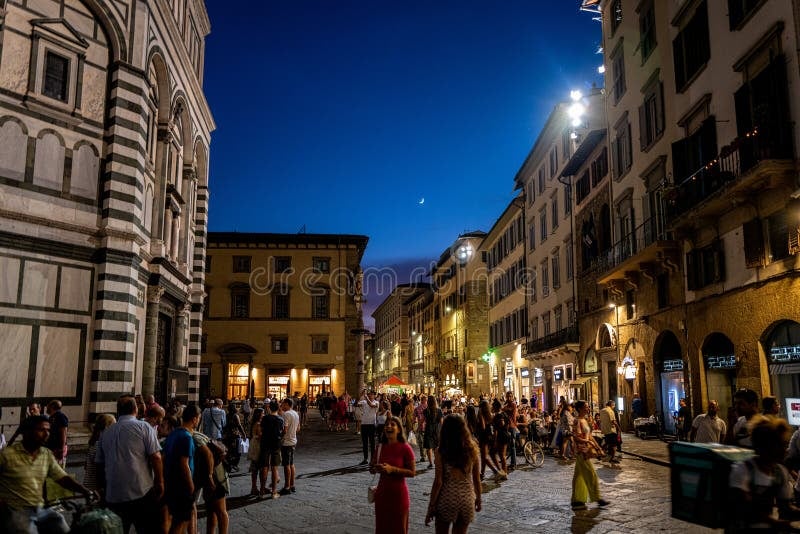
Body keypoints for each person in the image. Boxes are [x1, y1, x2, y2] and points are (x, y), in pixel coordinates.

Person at [0, 415, 99, 533]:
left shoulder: (46, 454)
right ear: (27, 432)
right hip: (16, 510)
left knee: (61, 525)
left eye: (48, 430)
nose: (46, 434)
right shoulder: (7, 455)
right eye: (41, 430)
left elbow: (62, 478)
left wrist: (85, 491)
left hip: (40, 509)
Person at [96, 394, 164, 533]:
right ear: (136, 409)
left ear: (118, 411)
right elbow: (156, 457)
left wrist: (103, 488)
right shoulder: (144, 427)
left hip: (114, 495)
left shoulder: (106, 433)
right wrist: (160, 481)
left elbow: (99, 464)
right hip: (141, 492)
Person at [729, 417, 798, 530]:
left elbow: (786, 508)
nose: (785, 450)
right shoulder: (742, 469)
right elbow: (743, 508)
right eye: (780, 445)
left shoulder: (780, 472)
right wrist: (774, 522)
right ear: (766, 446)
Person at [425, 414, 481, 534]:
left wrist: (431, 506)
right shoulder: (472, 449)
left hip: (447, 498)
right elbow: (476, 479)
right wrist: (479, 499)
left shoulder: (441, 451)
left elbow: (438, 481)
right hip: (467, 499)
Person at [371, 416, 416, 534]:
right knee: (382, 528)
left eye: (392, 424)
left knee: (399, 529)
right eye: (387, 425)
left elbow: (412, 472)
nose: (388, 426)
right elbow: (372, 467)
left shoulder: (406, 448)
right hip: (382, 494)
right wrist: (375, 468)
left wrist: (393, 469)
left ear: (399, 429)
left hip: (399, 495)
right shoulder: (380, 447)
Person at [163, 404, 200, 534]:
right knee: (180, 522)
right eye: (198, 418)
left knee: (180, 519)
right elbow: (184, 464)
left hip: (170, 481)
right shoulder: (187, 437)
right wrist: (190, 485)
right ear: (194, 419)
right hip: (180, 485)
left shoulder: (173, 434)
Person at [570, 400, 609, 510]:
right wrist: (589, 442)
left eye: (588, 407)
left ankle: (577, 500)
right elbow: (576, 437)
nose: (588, 408)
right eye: (586, 407)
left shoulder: (584, 420)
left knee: (579, 476)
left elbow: (590, 435)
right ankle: (597, 498)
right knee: (591, 474)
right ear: (580, 409)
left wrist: (597, 447)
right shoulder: (577, 421)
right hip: (582, 451)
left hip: (586, 449)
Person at [83, 414, 116, 492]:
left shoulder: (94, 441)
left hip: (90, 483)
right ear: (107, 427)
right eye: (114, 426)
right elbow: (100, 467)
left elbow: (86, 465)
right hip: (96, 486)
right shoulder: (99, 444)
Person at [259, 400, 284, 499]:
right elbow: (281, 432)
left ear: (269, 408)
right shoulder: (280, 419)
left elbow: (261, 430)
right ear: (278, 408)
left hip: (265, 443)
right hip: (276, 444)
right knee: (274, 467)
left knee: (264, 467)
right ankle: (274, 491)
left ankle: (261, 491)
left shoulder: (265, 418)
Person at [476, 400, 504, 480]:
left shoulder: (482, 415)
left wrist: (480, 415)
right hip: (489, 436)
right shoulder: (490, 415)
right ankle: (482, 473)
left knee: (484, 457)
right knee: (484, 456)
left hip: (484, 437)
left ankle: (496, 472)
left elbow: (483, 426)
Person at [278, 397, 299, 495]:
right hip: (293, 440)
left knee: (286, 464)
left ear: (287, 404)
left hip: (286, 442)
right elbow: (298, 428)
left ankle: (286, 487)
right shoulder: (295, 413)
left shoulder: (286, 414)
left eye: (283, 403)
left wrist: (279, 436)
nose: (281, 405)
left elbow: (285, 430)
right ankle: (292, 485)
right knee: (291, 464)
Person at [223, 403, 246, 471]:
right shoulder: (236, 416)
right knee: (238, 452)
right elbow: (239, 426)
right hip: (235, 435)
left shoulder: (226, 416)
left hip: (228, 435)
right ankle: (234, 464)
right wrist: (243, 434)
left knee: (229, 451)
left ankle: (229, 465)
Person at [45, 400, 68, 466]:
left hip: (58, 448)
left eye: (48, 406)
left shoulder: (61, 416)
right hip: (52, 447)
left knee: (58, 467)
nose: (47, 407)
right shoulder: (51, 417)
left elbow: (64, 433)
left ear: (52, 406)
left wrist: (61, 449)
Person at [248, 408, 265, 497]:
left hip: (254, 444)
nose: (264, 415)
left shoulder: (254, 423)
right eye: (262, 413)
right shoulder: (258, 424)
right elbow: (259, 436)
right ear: (259, 415)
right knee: (257, 467)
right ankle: (255, 487)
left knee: (255, 467)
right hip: (257, 446)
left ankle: (255, 487)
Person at [359, 391, 379, 465]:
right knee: (364, 443)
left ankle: (373, 459)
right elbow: (356, 404)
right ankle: (365, 458)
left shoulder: (376, 402)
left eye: (371, 394)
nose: (370, 395)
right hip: (364, 424)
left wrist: (366, 397)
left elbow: (371, 405)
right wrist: (361, 396)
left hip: (371, 424)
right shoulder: (364, 401)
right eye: (369, 394)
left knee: (372, 442)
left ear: (374, 395)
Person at [424, 395, 443, 469]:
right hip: (437, 430)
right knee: (436, 447)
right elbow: (442, 422)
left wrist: (419, 428)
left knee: (429, 447)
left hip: (428, 429)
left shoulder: (426, 411)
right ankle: (436, 461)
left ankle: (431, 463)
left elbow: (423, 421)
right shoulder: (439, 410)